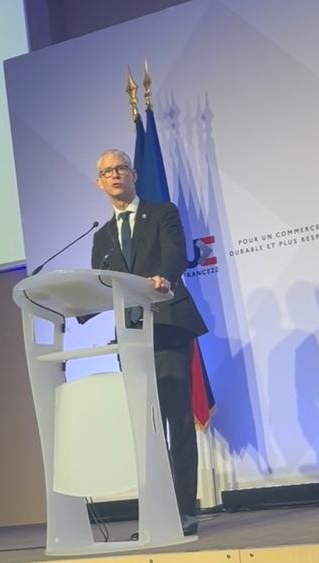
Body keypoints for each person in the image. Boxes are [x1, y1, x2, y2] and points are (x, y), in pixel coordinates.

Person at [90, 148, 208, 536]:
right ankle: (157, 514)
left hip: (168, 327)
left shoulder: (162, 213)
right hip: (131, 340)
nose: (115, 175)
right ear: (100, 183)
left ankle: (184, 512)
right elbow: (99, 283)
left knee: (176, 423)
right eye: (107, 171)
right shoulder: (102, 235)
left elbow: (174, 255)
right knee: (146, 431)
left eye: (121, 168)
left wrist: (163, 277)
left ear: (134, 174)